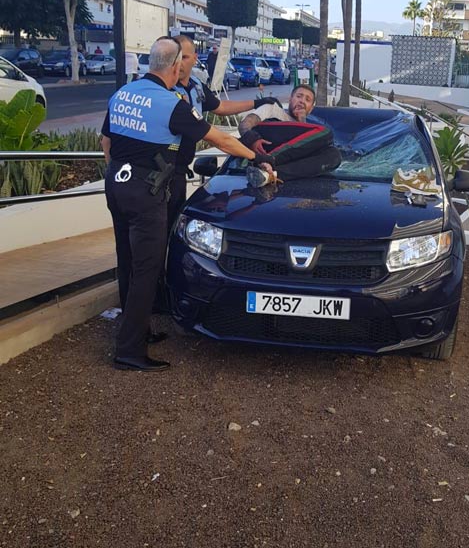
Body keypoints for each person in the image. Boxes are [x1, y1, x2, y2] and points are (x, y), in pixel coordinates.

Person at [100, 37, 275, 372]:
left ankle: (137, 331)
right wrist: (259, 157)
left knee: (127, 261)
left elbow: (106, 140)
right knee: (147, 269)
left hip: (116, 185)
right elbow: (221, 139)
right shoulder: (170, 103)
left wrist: (117, 171)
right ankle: (129, 349)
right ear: (176, 64)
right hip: (147, 190)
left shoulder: (123, 93)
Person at [169, 34, 281, 227]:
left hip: (177, 173)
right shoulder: (166, 91)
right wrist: (256, 157)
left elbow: (220, 107)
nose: (178, 63)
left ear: (195, 58)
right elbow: (218, 140)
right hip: (161, 173)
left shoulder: (196, 86)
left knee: (170, 228)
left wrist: (257, 102)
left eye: (184, 58)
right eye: (175, 58)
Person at [238, 85, 342, 187]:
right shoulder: (272, 108)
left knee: (334, 154)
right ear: (290, 99)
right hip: (265, 147)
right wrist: (253, 139)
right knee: (326, 132)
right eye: (299, 96)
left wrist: (302, 121)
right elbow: (244, 125)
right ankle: (269, 160)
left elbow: (302, 145)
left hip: (282, 162)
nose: (302, 101)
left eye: (307, 99)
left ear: (310, 109)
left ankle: (269, 175)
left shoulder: (310, 131)